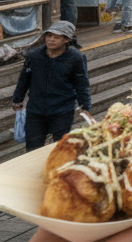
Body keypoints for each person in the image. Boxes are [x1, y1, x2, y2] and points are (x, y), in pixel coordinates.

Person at [12, 21, 91, 152]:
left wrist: (85, 107)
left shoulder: (76, 58)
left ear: (66, 39)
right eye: (49, 36)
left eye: (56, 37)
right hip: (35, 110)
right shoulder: (34, 55)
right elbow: (24, 78)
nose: (51, 40)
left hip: (62, 110)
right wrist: (17, 99)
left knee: (60, 147)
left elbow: (81, 84)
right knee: (33, 148)